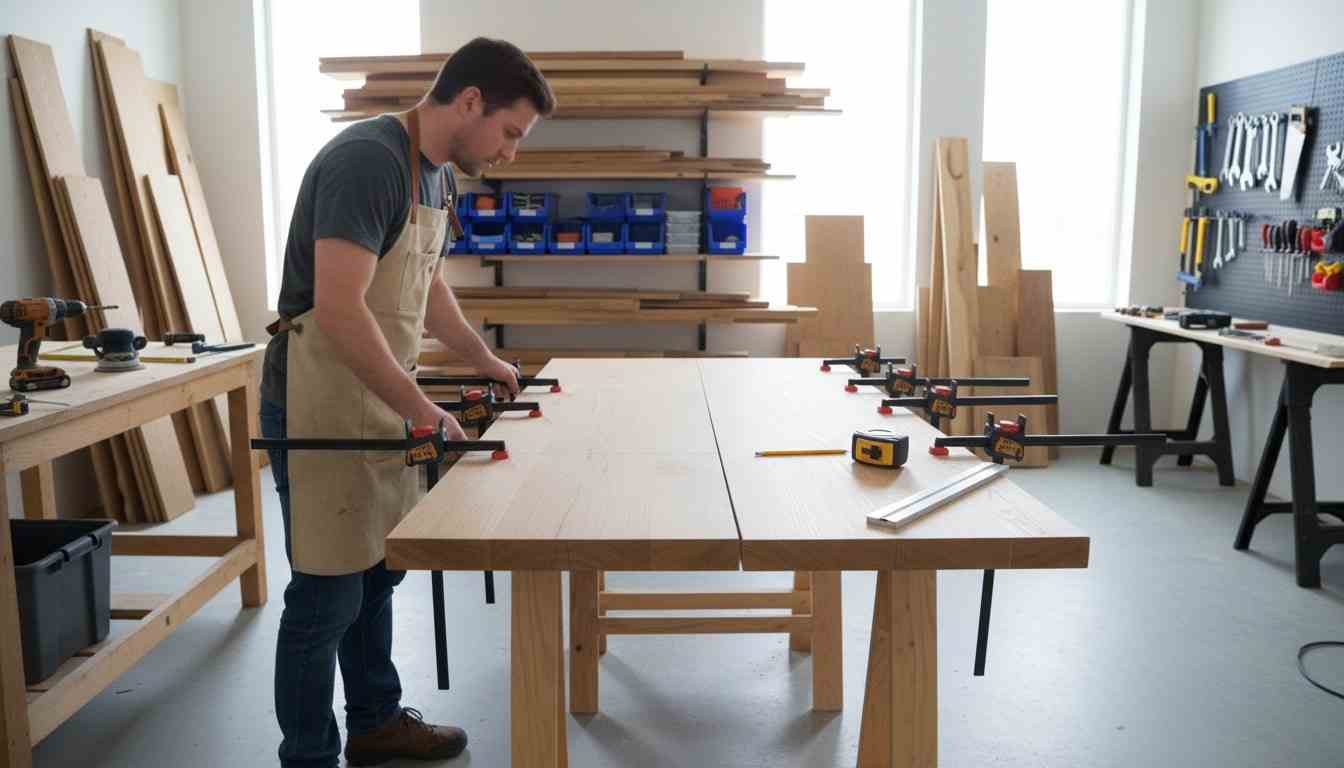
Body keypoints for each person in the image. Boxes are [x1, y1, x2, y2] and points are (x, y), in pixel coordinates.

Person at [258, 37, 555, 767]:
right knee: (326, 593)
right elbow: (339, 310)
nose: (511, 152)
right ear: (471, 101)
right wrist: (423, 408)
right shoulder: (370, 161)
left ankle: (375, 723)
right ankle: (307, 755)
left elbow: (427, 286)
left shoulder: (437, 177)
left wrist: (484, 359)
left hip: (379, 391)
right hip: (320, 395)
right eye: (510, 132)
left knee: (377, 572)